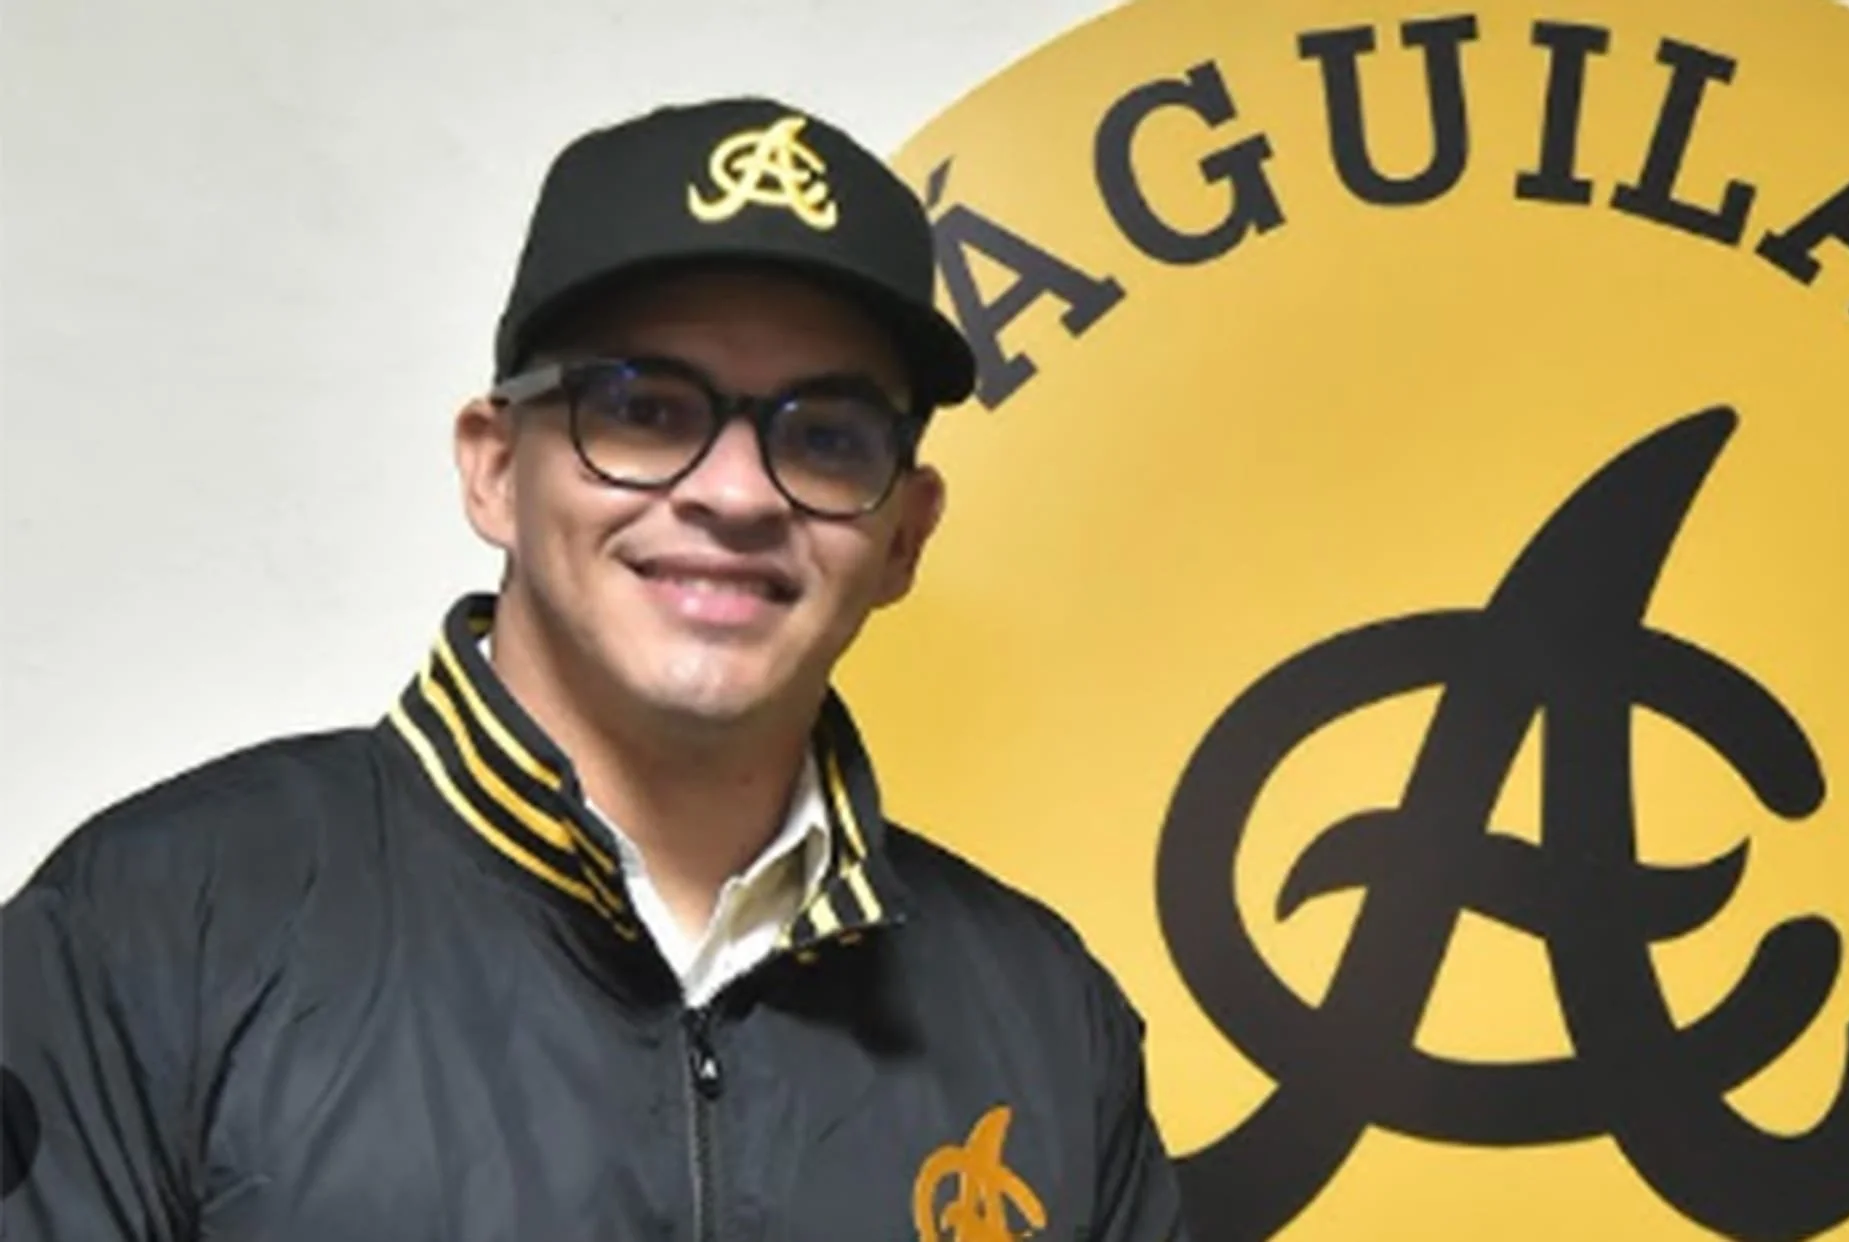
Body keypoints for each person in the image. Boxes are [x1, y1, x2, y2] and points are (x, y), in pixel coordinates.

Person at [0, 96, 1188, 1241]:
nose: (736, 494)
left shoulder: (1048, 1018)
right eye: (646, 410)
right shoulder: (152, 930)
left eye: (827, 437)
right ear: (494, 469)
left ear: (905, 536)